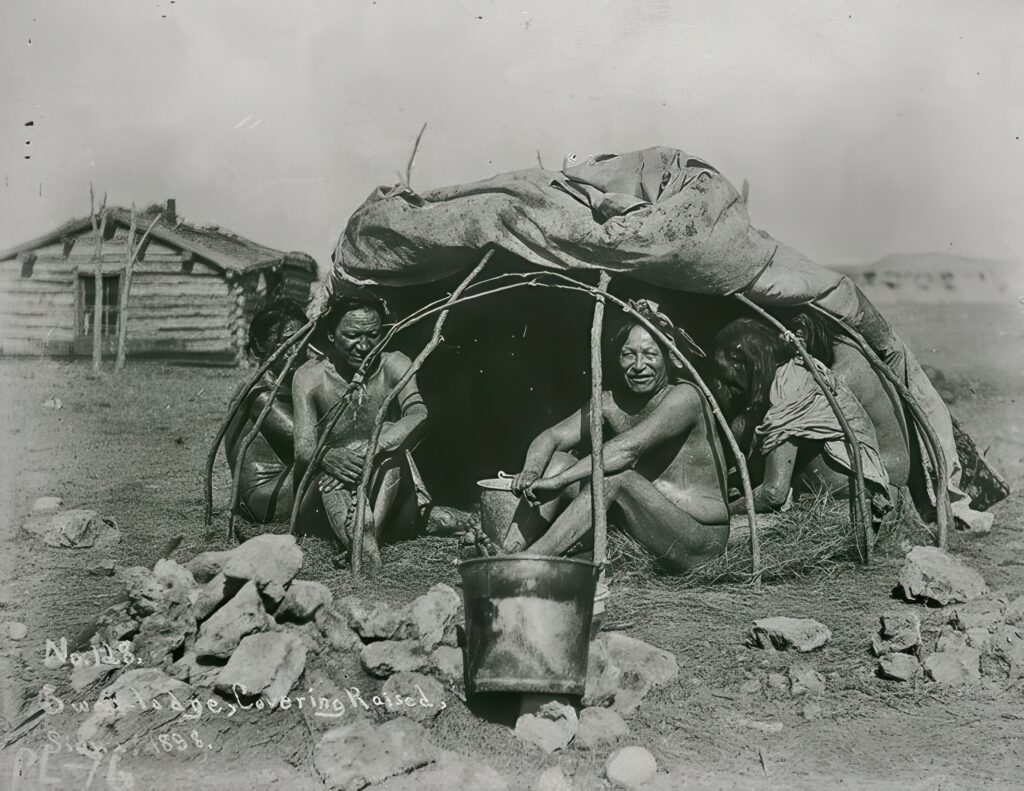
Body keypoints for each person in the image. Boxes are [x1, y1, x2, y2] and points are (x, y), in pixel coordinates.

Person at [508, 302, 730, 573]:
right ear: (618, 358)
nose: (639, 366)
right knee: (559, 460)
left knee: (614, 476)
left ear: (668, 358)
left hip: (698, 540)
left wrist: (557, 482)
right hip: (647, 530)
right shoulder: (610, 402)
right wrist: (533, 471)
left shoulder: (685, 397)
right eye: (629, 354)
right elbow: (552, 436)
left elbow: (626, 450)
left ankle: (529, 561)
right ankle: (508, 550)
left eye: (650, 355)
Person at [292, 290, 429, 567]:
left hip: (384, 489)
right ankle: (359, 537)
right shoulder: (310, 376)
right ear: (331, 335)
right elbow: (304, 448)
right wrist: (329, 458)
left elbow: (419, 414)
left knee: (391, 439)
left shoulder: (394, 364)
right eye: (353, 336)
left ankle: (365, 535)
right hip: (328, 491)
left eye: (373, 335)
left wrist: (373, 447)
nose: (364, 346)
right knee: (330, 472)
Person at [710, 317, 893, 515]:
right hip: (842, 504)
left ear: (738, 358)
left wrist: (724, 512)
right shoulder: (797, 370)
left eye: (722, 370)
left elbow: (773, 493)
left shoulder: (789, 386)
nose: (724, 384)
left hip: (845, 510)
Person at [224, 298, 307, 525]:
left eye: (301, 340)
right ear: (259, 346)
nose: (296, 350)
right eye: (285, 342)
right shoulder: (257, 392)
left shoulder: (290, 383)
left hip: (284, 484)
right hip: (263, 497)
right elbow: (306, 442)